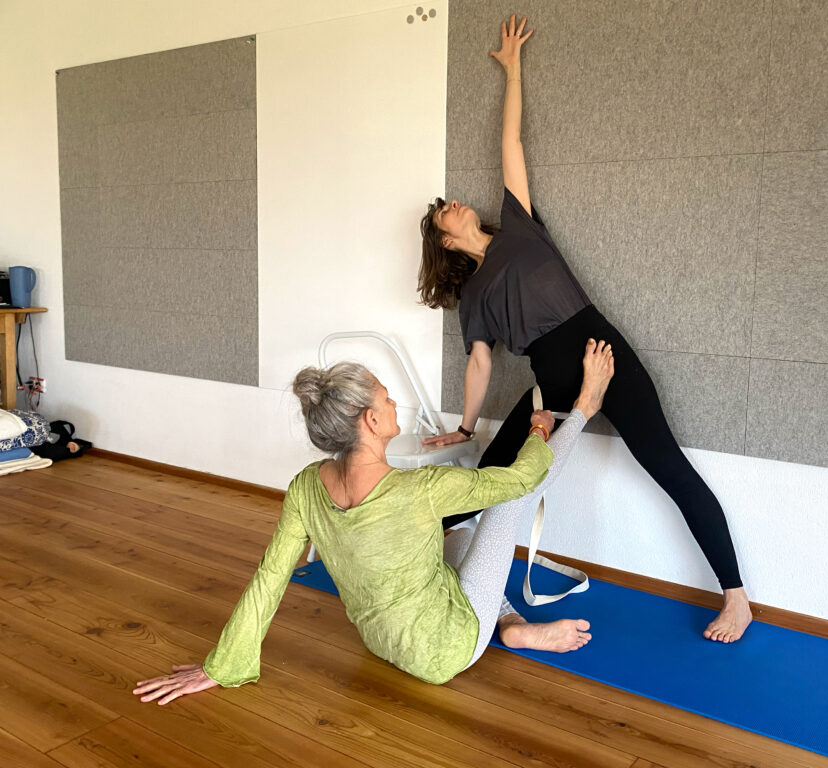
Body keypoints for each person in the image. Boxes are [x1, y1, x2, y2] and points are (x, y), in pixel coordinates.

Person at [418, 14, 752, 643]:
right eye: (442, 213)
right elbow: (480, 365)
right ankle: (423, 569)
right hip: (550, 381)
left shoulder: (519, 225)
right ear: (445, 241)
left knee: (668, 466)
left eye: (451, 200)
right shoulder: (474, 298)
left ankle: (735, 597)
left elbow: (511, 146)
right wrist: (464, 426)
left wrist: (512, 69)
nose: (453, 204)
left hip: (602, 348)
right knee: (489, 479)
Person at [133, 338, 614, 704]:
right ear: (370, 420)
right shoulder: (420, 490)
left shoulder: (306, 486)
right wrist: (545, 427)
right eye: (385, 398)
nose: (394, 403)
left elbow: (269, 578)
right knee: (504, 506)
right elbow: (523, 478)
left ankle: (508, 625)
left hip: (383, 645)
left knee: (457, 537)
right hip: (448, 650)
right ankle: (588, 407)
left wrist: (222, 665)